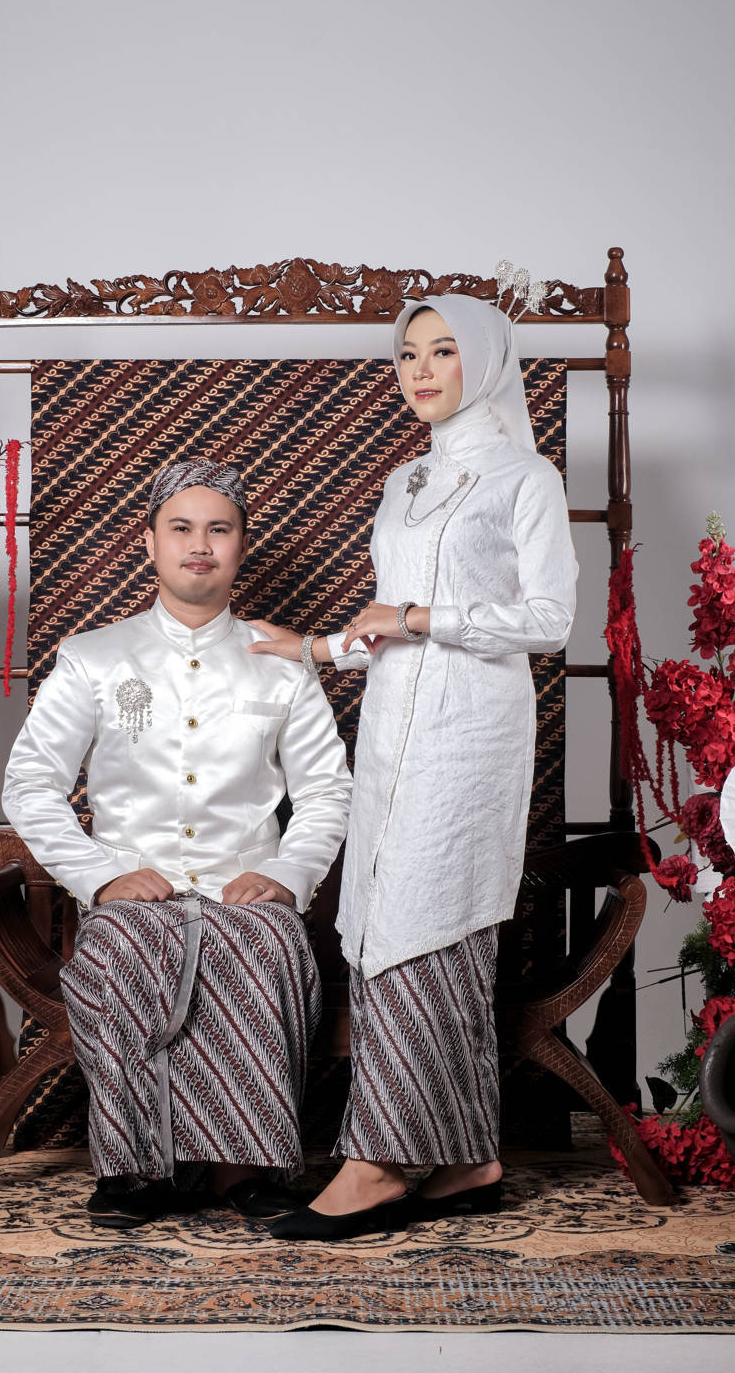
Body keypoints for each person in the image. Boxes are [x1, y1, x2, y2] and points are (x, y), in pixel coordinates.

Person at [248, 295, 578, 1239]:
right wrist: (314, 648)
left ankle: (379, 1164)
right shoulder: (404, 482)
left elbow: (551, 620)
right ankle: (469, 1157)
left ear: (487, 361)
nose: (420, 370)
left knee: (423, 922)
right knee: (381, 916)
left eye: (442, 351)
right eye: (406, 355)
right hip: (392, 729)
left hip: (470, 736)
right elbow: (385, 621)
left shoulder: (526, 478)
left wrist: (426, 619)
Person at [1, 458, 352, 1227]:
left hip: (244, 886)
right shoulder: (94, 657)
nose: (200, 545)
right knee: (121, 946)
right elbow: (28, 785)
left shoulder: (284, 666)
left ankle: (246, 1167)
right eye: (181, 528)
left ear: (241, 546)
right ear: (149, 544)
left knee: (267, 944)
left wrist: (288, 873)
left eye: (218, 530)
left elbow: (328, 791)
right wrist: (101, 876)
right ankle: (136, 1170)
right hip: (133, 886)